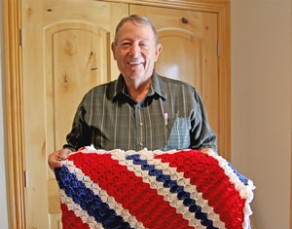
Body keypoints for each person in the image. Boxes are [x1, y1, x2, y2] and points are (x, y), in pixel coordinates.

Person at [48, 15, 217, 170]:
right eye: (127, 44)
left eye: (143, 44)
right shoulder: (93, 101)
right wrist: (62, 157)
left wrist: (208, 154)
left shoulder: (186, 96)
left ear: (157, 52)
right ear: (114, 50)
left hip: (175, 202)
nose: (135, 53)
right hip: (109, 203)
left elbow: (206, 145)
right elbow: (74, 150)